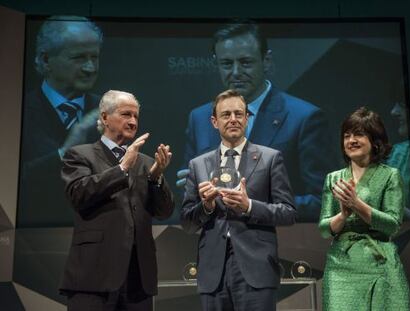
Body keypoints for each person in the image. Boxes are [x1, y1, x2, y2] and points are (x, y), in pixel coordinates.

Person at [178, 21, 335, 222]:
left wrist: (249, 203)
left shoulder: (305, 118)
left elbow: (323, 201)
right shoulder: (199, 119)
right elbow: (187, 204)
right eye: (227, 64)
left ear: (266, 61)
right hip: (214, 244)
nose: (235, 72)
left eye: (245, 62)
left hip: (278, 244)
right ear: (216, 63)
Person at [181, 89, 296, 311]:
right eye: (226, 115)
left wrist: (249, 206)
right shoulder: (198, 165)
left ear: (247, 118)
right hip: (213, 271)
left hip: (257, 269)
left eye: (239, 114)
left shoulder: (270, 158)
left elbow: (288, 212)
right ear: (214, 122)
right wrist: (206, 206)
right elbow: (187, 223)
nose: (233, 119)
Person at [60, 90, 174, 310]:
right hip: (93, 276)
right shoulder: (80, 155)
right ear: (104, 118)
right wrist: (122, 168)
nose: (132, 121)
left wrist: (156, 178)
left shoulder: (147, 162)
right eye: (125, 114)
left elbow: (164, 211)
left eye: (136, 116)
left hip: (138, 278)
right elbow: (78, 194)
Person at [318, 107, 410, 310]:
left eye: (359, 134)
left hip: (379, 262)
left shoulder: (391, 176)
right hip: (341, 265)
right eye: (347, 136)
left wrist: (357, 205)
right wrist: (343, 214)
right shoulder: (333, 178)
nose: (351, 140)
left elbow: (393, 225)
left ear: (375, 142)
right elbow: (324, 229)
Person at [19, 16, 102, 227]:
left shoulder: (113, 111)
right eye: (79, 58)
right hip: (31, 238)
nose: (90, 68)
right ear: (45, 60)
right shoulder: (17, 112)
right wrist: (66, 152)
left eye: (95, 57)